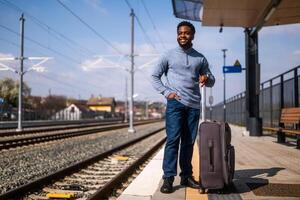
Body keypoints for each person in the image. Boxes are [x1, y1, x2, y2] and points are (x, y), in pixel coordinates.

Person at [150, 21, 215, 193]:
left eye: (186, 33)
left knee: (188, 143)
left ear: (193, 35)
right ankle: (168, 178)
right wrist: (166, 92)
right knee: (172, 141)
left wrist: (206, 78)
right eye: (180, 33)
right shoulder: (168, 55)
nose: (182, 36)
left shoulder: (200, 58)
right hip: (175, 104)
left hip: (193, 106)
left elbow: (211, 80)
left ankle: (186, 177)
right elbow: (154, 76)